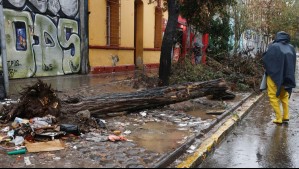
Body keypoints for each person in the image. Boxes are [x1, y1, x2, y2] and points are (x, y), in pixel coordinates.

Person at [262, 31, 297, 124]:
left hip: (274, 76)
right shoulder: (291, 48)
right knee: (284, 96)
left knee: (273, 96)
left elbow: (266, 59)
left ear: (278, 37)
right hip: (287, 77)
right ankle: (286, 116)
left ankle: (278, 118)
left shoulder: (274, 46)